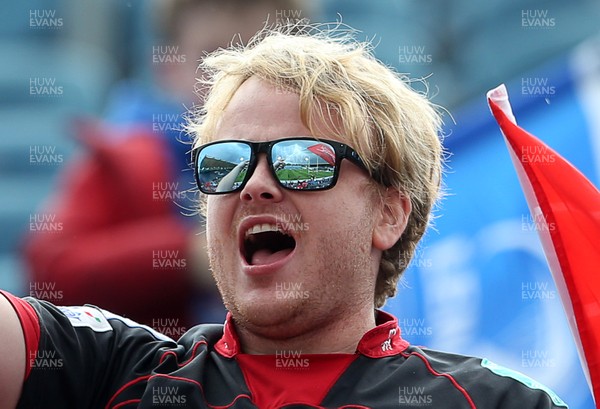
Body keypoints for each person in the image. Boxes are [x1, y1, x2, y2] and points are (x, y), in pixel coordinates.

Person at [1, 24, 568, 408]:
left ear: (389, 215)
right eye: (226, 163)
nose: (256, 186)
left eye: (302, 161)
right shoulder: (111, 372)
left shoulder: (496, 401)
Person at [22, 0, 306, 327]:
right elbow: (49, 274)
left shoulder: (319, 164)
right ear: (168, 69)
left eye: (262, 61)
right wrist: (189, 256)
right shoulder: (123, 161)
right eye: (213, 59)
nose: (238, 82)